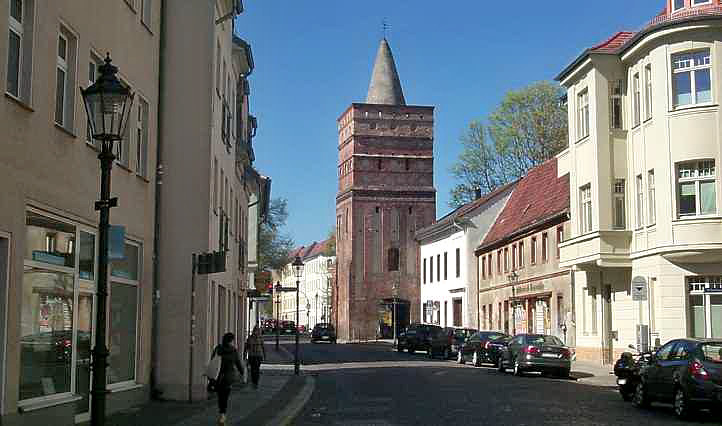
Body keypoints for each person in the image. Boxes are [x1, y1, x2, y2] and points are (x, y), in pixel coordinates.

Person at [213, 332, 244, 425]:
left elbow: (212, 361)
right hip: (228, 378)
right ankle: (222, 415)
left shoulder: (218, 349)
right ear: (231, 341)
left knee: (220, 396)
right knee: (225, 396)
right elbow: (238, 363)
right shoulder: (233, 350)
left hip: (218, 377)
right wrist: (243, 373)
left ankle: (221, 413)